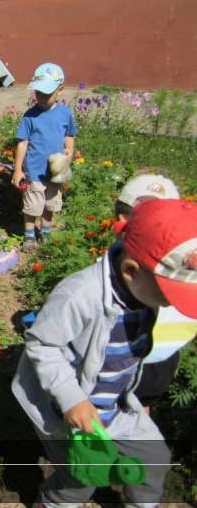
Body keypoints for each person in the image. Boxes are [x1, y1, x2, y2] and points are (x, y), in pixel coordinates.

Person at [12, 198, 197, 507]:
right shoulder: (80, 295)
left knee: (154, 458)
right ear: (130, 270)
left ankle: (142, 503)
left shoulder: (141, 290)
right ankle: (52, 501)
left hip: (117, 405)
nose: (170, 305)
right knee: (80, 480)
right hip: (69, 413)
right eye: (168, 295)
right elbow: (42, 344)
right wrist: (72, 399)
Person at [113, 174, 195, 413]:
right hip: (161, 364)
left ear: (121, 219)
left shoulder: (121, 274)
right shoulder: (187, 267)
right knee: (140, 406)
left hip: (123, 361)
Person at [12, 63, 78, 252]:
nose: (41, 97)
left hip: (56, 171)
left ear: (60, 90)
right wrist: (18, 170)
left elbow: (69, 134)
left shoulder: (65, 113)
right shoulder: (30, 116)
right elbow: (22, 142)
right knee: (32, 206)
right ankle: (30, 235)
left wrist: (69, 152)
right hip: (34, 170)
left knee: (51, 204)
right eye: (38, 92)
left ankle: (46, 231)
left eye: (46, 93)